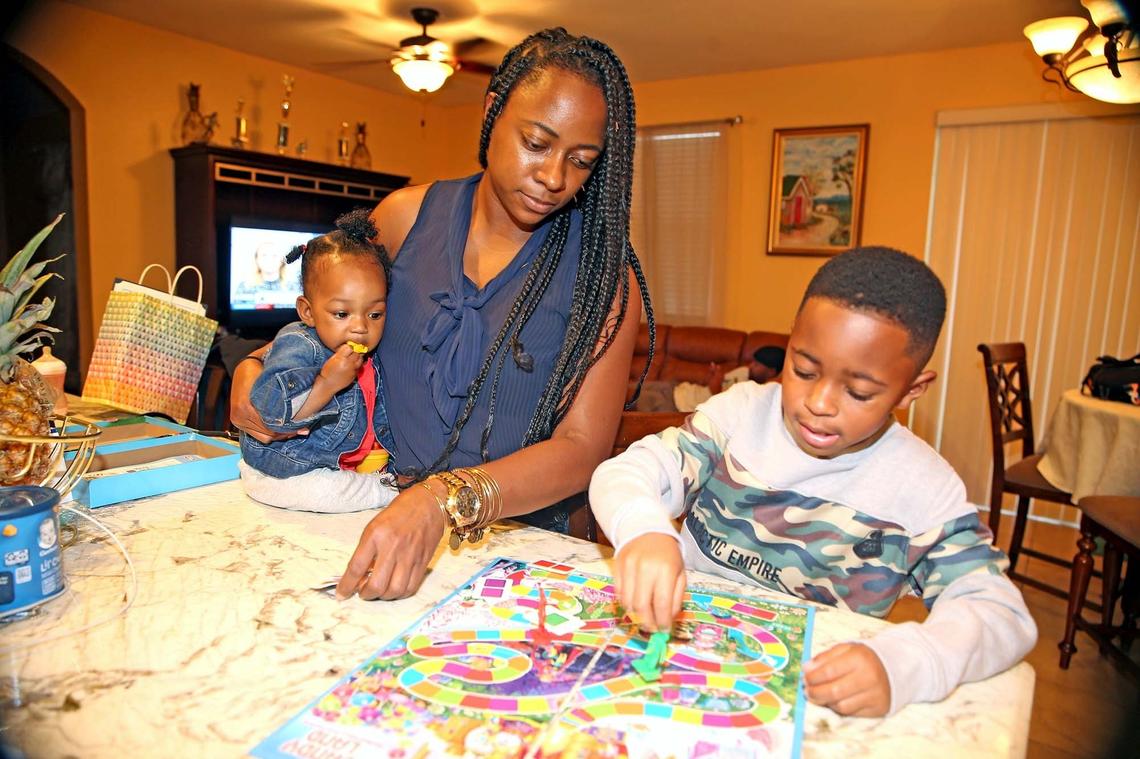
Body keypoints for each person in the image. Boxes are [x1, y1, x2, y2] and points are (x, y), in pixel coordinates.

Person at [230, 28, 654, 600]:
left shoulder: (604, 279)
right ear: (492, 111)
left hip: (516, 550)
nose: (555, 178)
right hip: (367, 507)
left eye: (581, 161)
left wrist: (441, 500)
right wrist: (252, 367)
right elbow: (328, 321)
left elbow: (583, 449)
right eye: (536, 142)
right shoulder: (404, 219)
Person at [589, 247, 1036, 718]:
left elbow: (1001, 614)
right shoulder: (739, 415)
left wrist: (905, 664)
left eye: (859, 392)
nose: (819, 402)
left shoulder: (923, 489)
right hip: (677, 659)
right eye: (803, 370)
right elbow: (623, 472)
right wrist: (644, 530)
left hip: (803, 695)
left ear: (912, 389)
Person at [237, 210, 398, 513]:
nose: (360, 327)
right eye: (341, 314)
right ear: (307, 312)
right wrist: (326, 383)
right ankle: (384, 491)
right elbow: (270, 413)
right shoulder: (300, 344)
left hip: (334, 465)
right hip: (283, 470)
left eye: (374, 314)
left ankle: (382, 486)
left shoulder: (372, 352)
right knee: (329, 492)